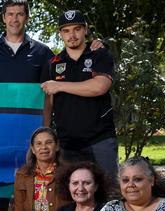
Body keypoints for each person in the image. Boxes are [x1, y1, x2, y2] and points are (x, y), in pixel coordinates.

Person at [0, 1, 104, 211]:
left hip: (33, 132)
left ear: (26, 18)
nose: (15, 19)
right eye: (10, 14)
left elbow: (52, 91)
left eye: (20, 14)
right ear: (3, 18)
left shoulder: (44, 53)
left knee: (36, 183)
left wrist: (93, 47)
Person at [41, 10, 118, 184]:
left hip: (100, 139)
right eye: (66, 30)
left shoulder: (99, 54)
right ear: (60, 34)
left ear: (86, 30)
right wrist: (45, 133)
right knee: (73, 195)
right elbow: (48, 104)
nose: (72, 35)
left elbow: (99, 87)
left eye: (77, 29)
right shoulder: (54, 64)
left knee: (108, 192)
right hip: (68, 143)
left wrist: (59, 85)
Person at [13, 127, 69, 211]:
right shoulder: (22, 175)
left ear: (57, 146)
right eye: (38, 144)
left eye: (49, 142)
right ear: (33, 149)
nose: (43, 147)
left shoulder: (69, 174)